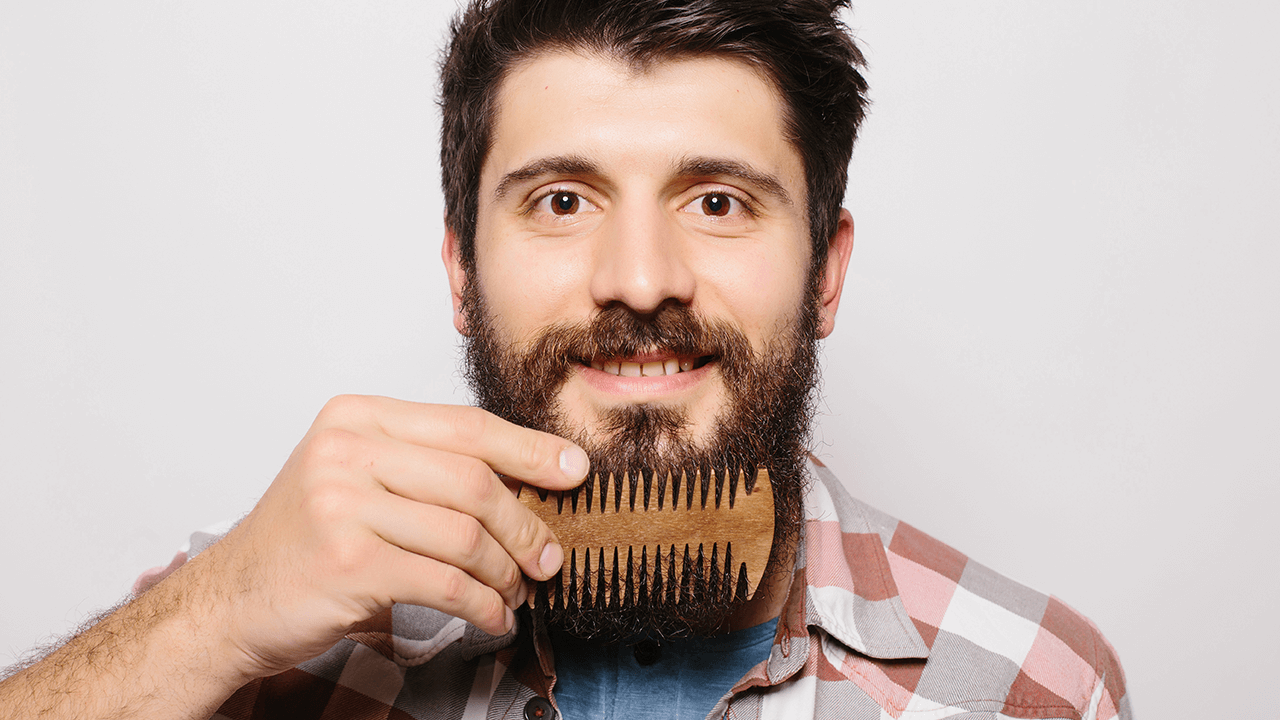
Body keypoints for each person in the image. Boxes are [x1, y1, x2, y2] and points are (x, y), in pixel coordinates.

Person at [0, 1, 1131, 718]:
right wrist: (211, 615)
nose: (639, 278)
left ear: (823, 272)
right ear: (460, 270)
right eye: (558, 198)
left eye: (718, 200)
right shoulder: (246, 641)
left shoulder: (1033, 684)